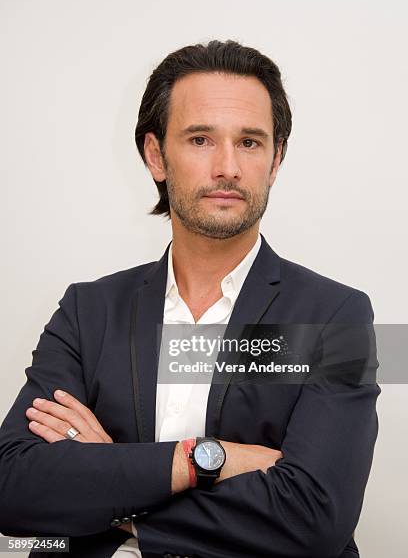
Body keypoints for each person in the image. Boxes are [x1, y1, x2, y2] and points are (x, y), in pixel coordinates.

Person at [0, 40, 380, 558]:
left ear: (276, 160)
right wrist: (207, 458)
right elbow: (14, 485)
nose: (227, 167)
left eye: (250, 142)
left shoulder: (338, 317)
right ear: (156, 156)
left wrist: (115, 485)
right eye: (201, 139)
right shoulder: (89, 312)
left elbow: (315, 517)